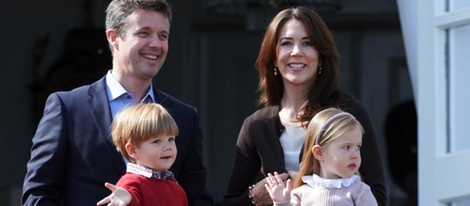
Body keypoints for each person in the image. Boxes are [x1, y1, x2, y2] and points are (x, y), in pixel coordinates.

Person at [22, 0, 212, 205]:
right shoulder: (68, 108)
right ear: (114, 38)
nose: (156, 44)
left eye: (162, 35)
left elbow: (197, 198)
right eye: (143, 33)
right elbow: (38, 194)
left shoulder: (184, 116)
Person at [223, 6, 386, 206]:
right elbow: (230, 202)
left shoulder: (348, 114)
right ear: (273, 57)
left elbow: (378, 194)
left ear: (321, 56)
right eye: (286, 43)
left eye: (307, 43)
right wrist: (255, 198)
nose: (296, 52)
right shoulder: (256, 125)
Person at [264, 108, 377, 205]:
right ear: (319, 153)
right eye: (346, 147)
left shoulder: (360, 191)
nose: (355, 155)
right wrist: (281, 203)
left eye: (358, 147)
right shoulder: (301, 194)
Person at [96, 103, 188, 206]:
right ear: (132, 150)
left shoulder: (176, 188)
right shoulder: (130, 185)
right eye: (157, 141)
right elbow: (128, 199)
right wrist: (129, 200)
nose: (168, 147)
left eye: (171, 139)